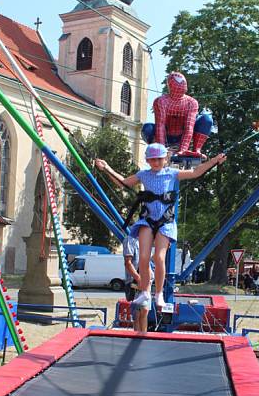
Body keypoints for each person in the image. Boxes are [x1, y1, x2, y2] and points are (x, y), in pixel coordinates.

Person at [96, 143, 226, 308]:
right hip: (147, 220)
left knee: (158, 258)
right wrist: (106, 168)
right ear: (148, 161)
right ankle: (144, 292)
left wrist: (214, 160)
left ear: (165, 159)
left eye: (158, 159)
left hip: (165, 221)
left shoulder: (171, 173)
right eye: (152, 160)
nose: (155, 163)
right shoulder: (144, 174)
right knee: (143, 257)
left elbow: (195, 172)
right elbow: (123, 182)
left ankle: (159, 294)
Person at [142, 72, 213, 158]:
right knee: (147, 128)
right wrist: (162, 150)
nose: (180, 87)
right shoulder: (161, 101)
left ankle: (196, 149)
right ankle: (156, 150)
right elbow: (160, 126)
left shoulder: (191, 102)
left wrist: (183, 149)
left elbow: (189, 127)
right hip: (167, 136)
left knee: (206, 119)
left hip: (182, 136)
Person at [122, 233, 140, 302]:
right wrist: (139, 279)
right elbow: (127, 263)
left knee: (145, 309)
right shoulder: (130, 240)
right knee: (137, 308)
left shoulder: (143, 240)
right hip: (134, 282)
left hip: (143, 281)